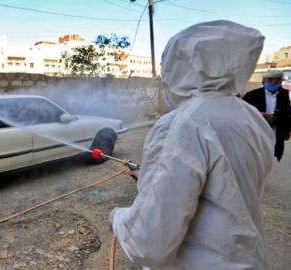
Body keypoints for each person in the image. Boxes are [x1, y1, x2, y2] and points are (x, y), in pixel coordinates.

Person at [109, 20, 275, 269]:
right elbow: (224, 185)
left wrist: (117, 218)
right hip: (248, 259)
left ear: (184, 66)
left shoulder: (184, 123)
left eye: (167, 66)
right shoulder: (250, 117)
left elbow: (149, 242)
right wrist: (149, 176)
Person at [242, 70, 291, 161]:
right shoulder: (252, 95)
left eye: (277, 80)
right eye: (270, 80)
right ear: (264, 81)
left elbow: (287, 112)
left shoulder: (284, 93)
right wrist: (260, 114)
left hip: (276, 130)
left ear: (280, 81)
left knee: (273, 154)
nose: (274, 82)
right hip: (258, 129)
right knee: (258, 154)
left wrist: (287, 130)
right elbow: (242, 111)